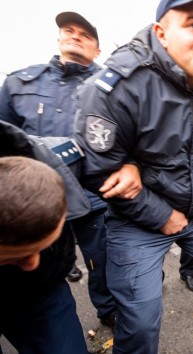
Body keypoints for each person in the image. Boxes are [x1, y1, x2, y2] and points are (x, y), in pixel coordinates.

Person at [73, 1, 193, 353]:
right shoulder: (121, 84)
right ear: (161, 33)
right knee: (141, 319)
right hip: (138, 217)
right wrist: (161, 215)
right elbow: (97, 170)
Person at [0, 11, 134, 329]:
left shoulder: (113, 89)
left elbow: (133, 137)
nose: (76, 36)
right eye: (69, 30)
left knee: (101, 260)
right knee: (35, 264)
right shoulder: (20, 82)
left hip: (92, 197)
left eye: (86, 34)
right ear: (59, 37)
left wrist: (131, 165)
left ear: (97, 50)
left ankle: (106, 309)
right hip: (33, 201)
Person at [0, 151, 87, 353]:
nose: (32, 264)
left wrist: (129, 165)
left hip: (41, 292)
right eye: (14, 257)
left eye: (42, 246)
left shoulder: (45, 155)